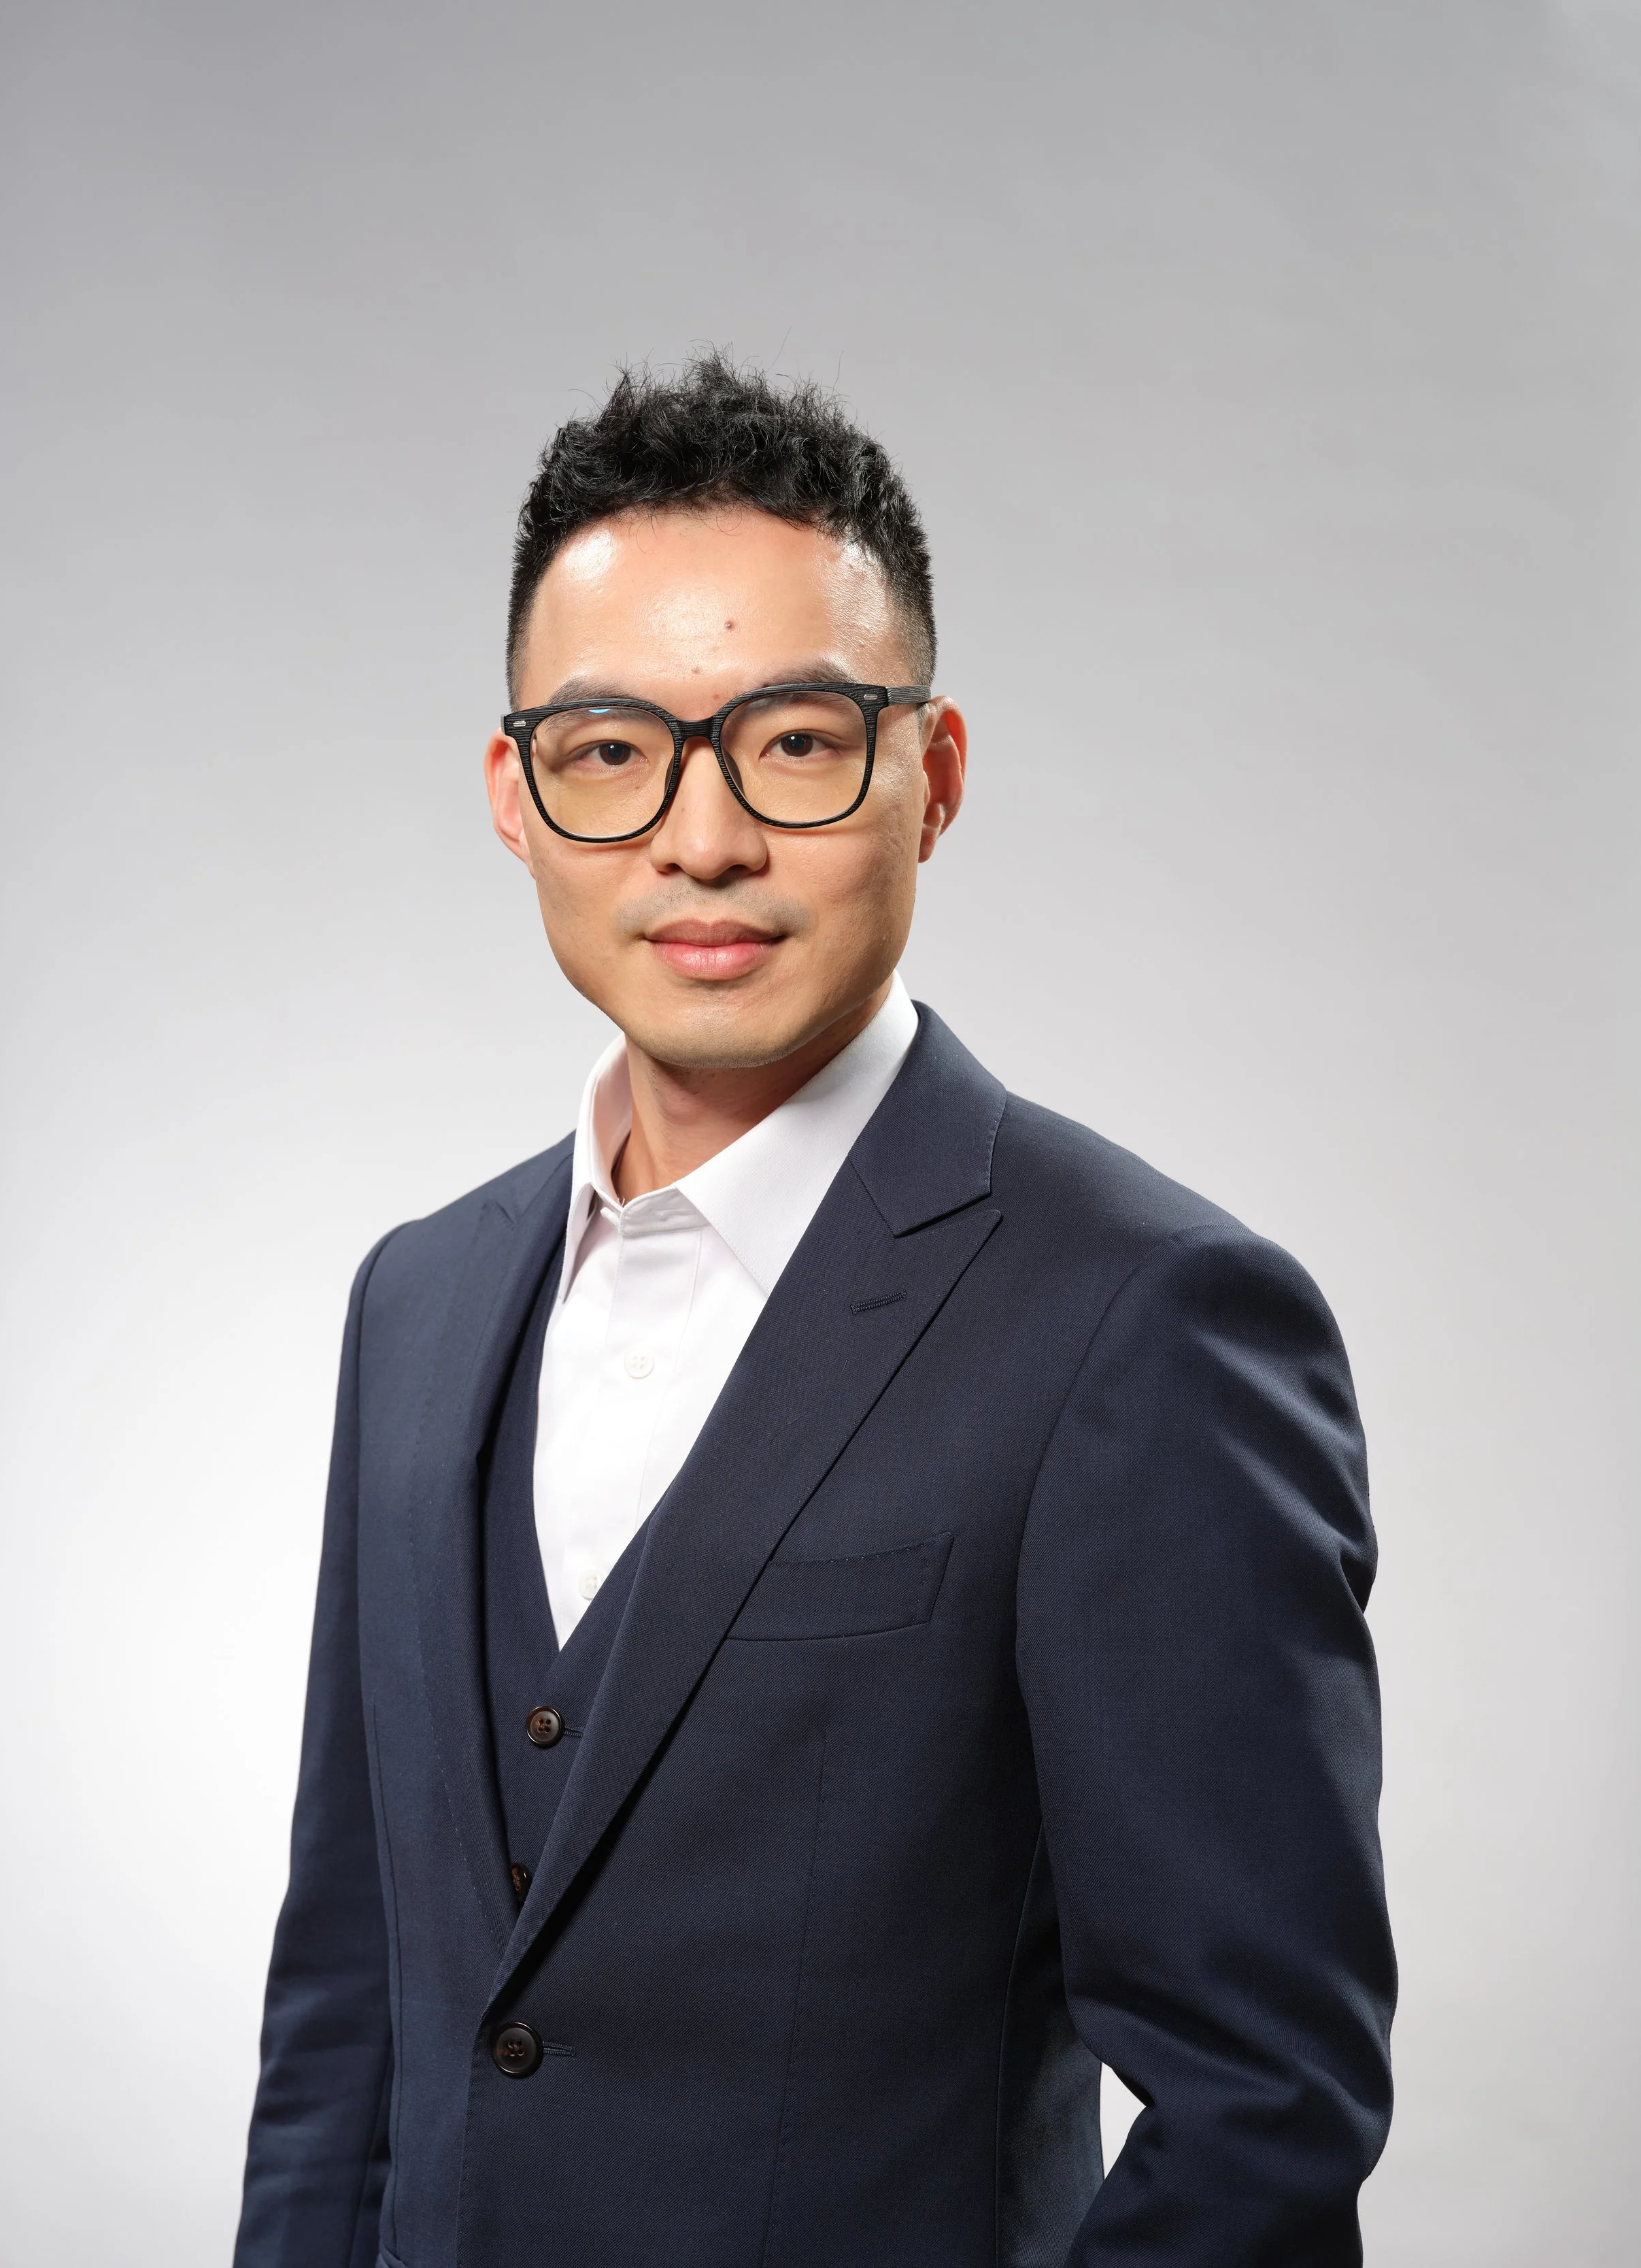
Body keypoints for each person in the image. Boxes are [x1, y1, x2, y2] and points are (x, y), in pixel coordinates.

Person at [233, 354, 1395, 2268]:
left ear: (929, 777)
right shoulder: (419, 1300)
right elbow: (344, 2016)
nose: (700, 840)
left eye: (793, 738)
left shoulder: (1144, 1320)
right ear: (514, 795)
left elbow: (1260, 2118)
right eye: (611, 747)